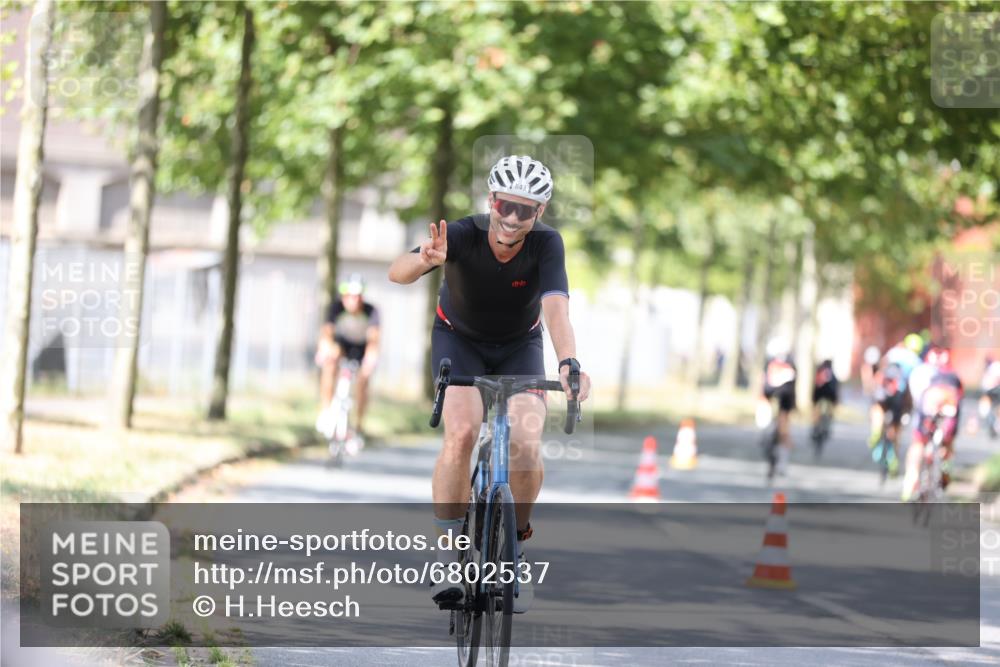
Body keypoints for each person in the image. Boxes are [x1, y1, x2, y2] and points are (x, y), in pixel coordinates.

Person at [388, 154, 591, 613]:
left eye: (525, 210)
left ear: (539, 213)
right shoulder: (461, 233)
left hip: (519, 347)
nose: (512, 218)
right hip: (458, 341)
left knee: (526, 438)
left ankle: (513, 552)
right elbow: (395, 274)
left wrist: (569, 362)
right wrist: (424, 260)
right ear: (491, 201)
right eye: (505, 206)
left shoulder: (547, 245)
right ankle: (447, 557)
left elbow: (557, 308)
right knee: (461, 431)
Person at [315, 274, 380, 438]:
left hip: (361, 348)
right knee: (330, 363)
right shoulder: (336, 308)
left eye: (357, 296)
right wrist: (324, 349)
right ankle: (326, 410)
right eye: (350, 296)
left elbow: (373, 340)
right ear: (344, 296)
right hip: (342, 346)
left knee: (364, 379)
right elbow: (326, 334)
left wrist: (370, 359)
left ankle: (358, 424)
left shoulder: (371, 311)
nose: (353, 300)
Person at [902, 344, 964, 502]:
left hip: (928, 404)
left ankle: (912, 478)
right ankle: (944, 470)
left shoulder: (924, 371)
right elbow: (959, 401)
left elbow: (914, 396)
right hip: (949, 406)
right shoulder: (954, 376)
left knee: (918, 443)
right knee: (947, 443)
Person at [869, 333, 922, 475]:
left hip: (884, 391)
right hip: (900, 396)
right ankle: (893, 460)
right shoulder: (916, 361)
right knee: (896, 428)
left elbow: (881, 368)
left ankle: (875, 431)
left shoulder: (894, 352)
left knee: (878, 409)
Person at [762, 337, 797, 476]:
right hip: (772, 397)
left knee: (784, 431)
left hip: (784, 401)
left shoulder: (789, 364)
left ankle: (783, 460)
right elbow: (764, 383)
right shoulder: (770, 363)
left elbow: (791, 387)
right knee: (770, 428)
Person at [812, 358, 839, 425]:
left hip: (820, 396)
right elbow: (835, 387)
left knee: (818, 410)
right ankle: (825, 422)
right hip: (829, 396)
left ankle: (817, 423)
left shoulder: (820, 371)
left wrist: (814, 399)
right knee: (827, 411)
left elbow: (816, 385)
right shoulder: (832, 374)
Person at [979, 354, 1000, 436]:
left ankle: (996, 424)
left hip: (995, 390)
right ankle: (993, 424)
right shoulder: (990, 368)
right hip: (989, 391)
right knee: (988, 410)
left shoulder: (995, 367)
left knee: (996, 408)